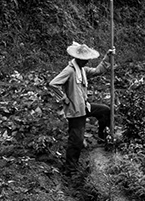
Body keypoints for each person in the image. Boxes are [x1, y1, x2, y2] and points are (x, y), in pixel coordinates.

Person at [48, 41, 115, 175]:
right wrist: (64, 98)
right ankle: (70, 168)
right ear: (78, 58)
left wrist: (108, 56)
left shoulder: (82, 70)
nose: (87, 61)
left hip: (84, 107)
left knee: (104, 111)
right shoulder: (70, 70)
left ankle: (102, 136)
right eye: (86, 60)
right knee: (76, 140)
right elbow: (53, 84)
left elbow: (98, 71)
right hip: (75, 111)